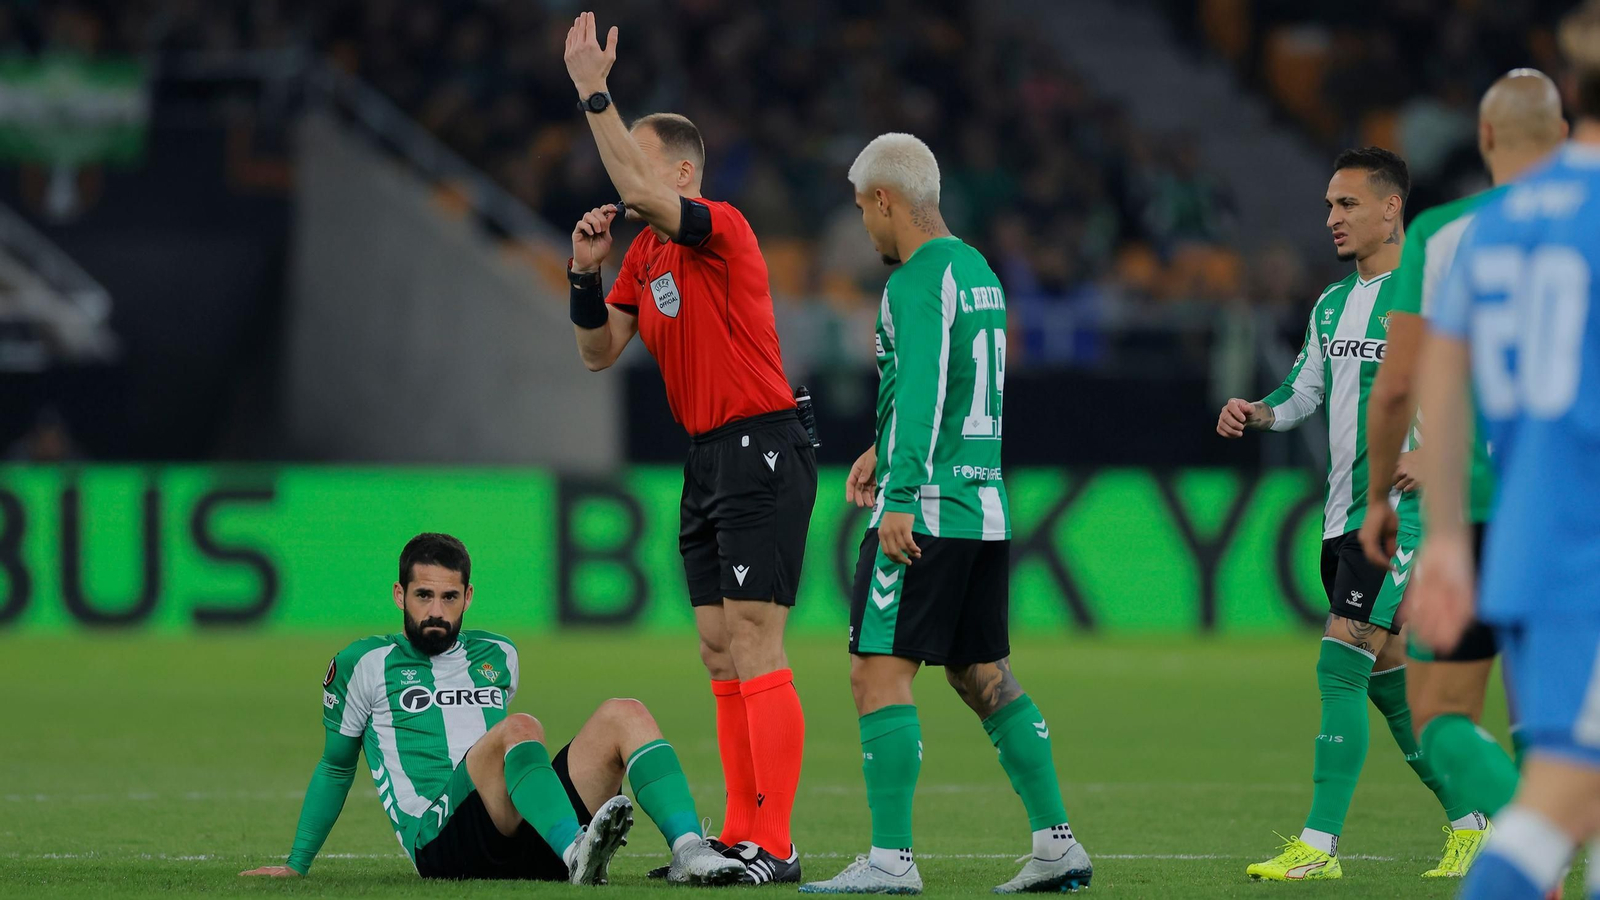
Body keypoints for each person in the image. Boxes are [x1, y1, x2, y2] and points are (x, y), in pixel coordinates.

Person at [799, 133, 1092, 896]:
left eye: (862, 207)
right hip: (981, 506)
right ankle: (1056, 843)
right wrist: (883, 444)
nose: (864, 223)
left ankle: (890, 860)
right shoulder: (978, 271)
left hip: (927, 510)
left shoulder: (914, 280)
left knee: (875, 671)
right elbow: (958, 384)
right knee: (979, 672)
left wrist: (900, 493)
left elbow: (927, 383)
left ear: (886, 200)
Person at [560, 12, 815, 885]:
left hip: (761, 443)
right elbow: (598, 352)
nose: (623, 176)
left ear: (679, 173)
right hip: (707, 456)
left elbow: (631, 185)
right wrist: (584, 273)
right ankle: (739, 833)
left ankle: (773, 843)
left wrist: (592, 90)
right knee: (716, 644)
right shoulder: (643, 258)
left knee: (755, 638)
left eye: (638, 161)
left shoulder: (723, 230)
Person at [1217, 148, 1486, 881]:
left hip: (1405, 514)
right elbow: (1304, 390)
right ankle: (1473, 822)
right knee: (1388, 677)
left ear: (1392, 208)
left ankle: (1319, 846)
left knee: (1340, 662)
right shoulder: (1332, 304)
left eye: (1348, 204)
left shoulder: (1432, 295)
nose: (1333, 218)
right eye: (1330, 206)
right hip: (1344, 513)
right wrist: (1258, 410)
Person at [239, 533, 742, 885]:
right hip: (439, 840)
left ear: (468, 596)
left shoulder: (498, 654)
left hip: (526, 830)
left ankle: (687, 851)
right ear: (399, 595)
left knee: (624, 712)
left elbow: (515, 759)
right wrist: (297, 863)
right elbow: (335, 766)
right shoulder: (364, 663)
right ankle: (577, 853)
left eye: (449, 597)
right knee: (519, 727)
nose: (436, 611)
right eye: (423, 596)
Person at [1357, 70, 1568, 871]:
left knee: (1440, 709)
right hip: (1578, 502)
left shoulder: (1445, 233)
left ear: (1483, 139)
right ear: (1561, 137)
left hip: (1481, 506)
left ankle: (1536, 844)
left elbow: (1397, 385)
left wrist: (1380, 492)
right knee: (1557, 708)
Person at [1415, 6, 1600, 897]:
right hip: (1591, 540)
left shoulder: (1494, 222)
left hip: (1529, 542)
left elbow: (1440, 376)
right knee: (1562, 800)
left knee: (1567, 789)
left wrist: (1447, 540)